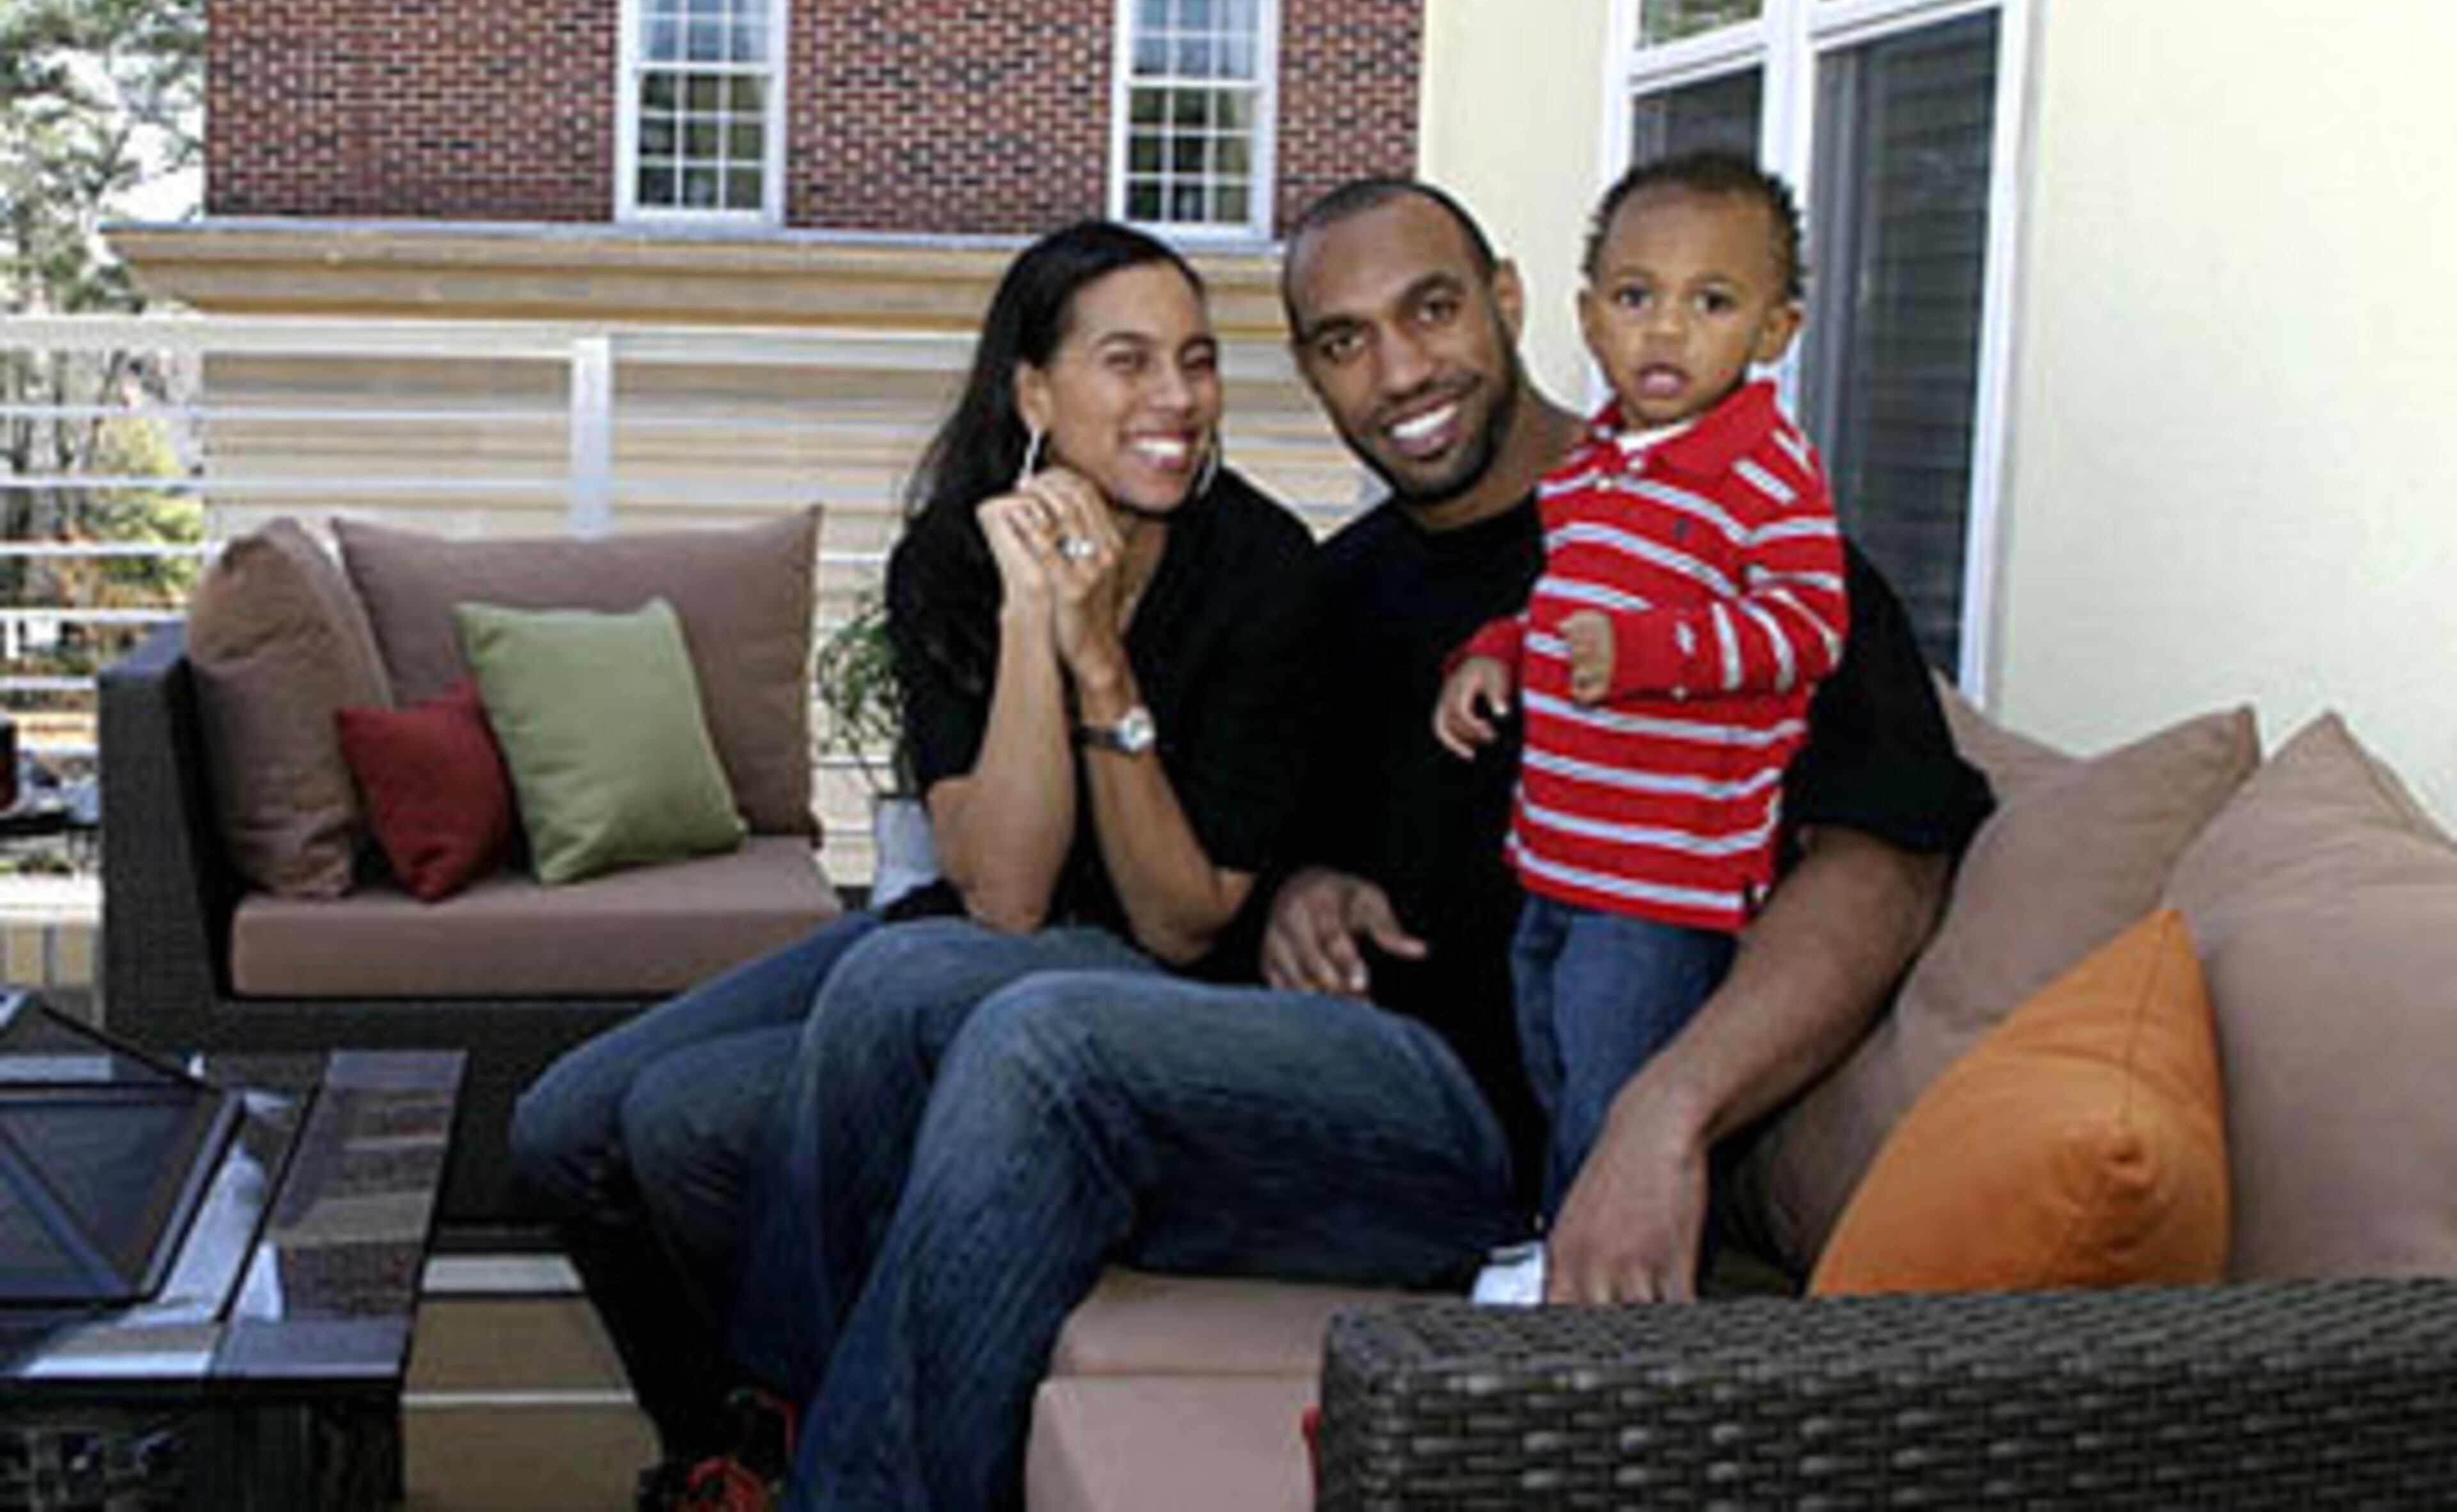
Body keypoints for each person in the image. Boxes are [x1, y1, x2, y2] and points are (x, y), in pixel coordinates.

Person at [728, 179, 1989, 1510]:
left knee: (1043, 1043)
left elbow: (1887, 864)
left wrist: (1664, 1112)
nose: (1398, 372)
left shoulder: (1731, 548)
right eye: (1342, 341)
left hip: (1489, 1131)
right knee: (859, 1020)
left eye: (1430, 310)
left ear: (1505, 304)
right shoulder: (1347, 588)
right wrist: (1301, 887)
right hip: (1313, 1072)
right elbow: (1255, 853)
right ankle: (773, 1451)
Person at [514, 219, 1317, 1509]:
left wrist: (1095, 655)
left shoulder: (1267, 575)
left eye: (1199, 359)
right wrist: (1026, 613)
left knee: (680, 1124)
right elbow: (996, 880)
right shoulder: (949, 555)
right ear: (1035, 394)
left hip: (1131, 988)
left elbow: (1169, 921)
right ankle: (728, 1442)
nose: (1175, 398)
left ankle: (783, 1440)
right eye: (1127, 361)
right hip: (956, 939)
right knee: (561, 1125)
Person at [1432, 153, 1846, 1220]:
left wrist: (1652, 653)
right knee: (1553, 1068)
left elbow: (1808, 627)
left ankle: (1587, 1308)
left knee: (1613, 1098)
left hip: (1662, 885)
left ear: (1774, 333)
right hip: (1557, 853)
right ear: (1588, 316)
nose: (1665, 331)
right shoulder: (1592, 466)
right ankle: (1557, 1247)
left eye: (1711, 302)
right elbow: (1566, 611)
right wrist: (1495, 652)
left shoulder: (1766, 471)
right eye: (1635, 297)